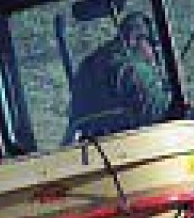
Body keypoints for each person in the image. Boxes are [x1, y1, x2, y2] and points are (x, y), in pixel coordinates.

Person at [67, 8, 170, 139]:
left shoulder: (88, 65)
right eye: (153, 44)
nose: (155, 54)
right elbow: (159, 111)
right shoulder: (131, 67)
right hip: (129, 147)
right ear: (134, 38)